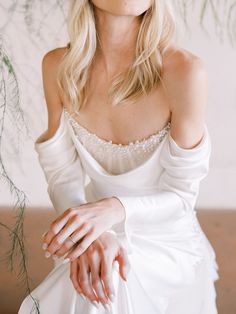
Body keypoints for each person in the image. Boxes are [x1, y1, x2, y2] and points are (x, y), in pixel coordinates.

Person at [18, 0, 219, 313]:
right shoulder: (58, 66)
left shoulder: (184, 71)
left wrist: (113, 210)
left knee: (109, 278)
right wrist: (91, 234)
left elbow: (181, 198)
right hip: (91, 229)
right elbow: (62, 173)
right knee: (98, 272)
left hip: (166, 238)